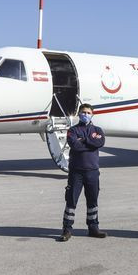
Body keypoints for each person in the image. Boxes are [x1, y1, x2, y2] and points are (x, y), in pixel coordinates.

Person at [58, 103, 106, 241]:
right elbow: (75, 145)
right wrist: (90, 142)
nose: (85, 115)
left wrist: (83, 140)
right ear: (79, 114)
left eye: (88, 113)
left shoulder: (98, 130)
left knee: (93, 201)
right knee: (71, 201)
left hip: (92, 172)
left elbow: (100, 143)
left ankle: (93, 228)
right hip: (76, 172)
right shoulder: (73, 130)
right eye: (83, 112)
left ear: (92, 114)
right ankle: (67, 229)